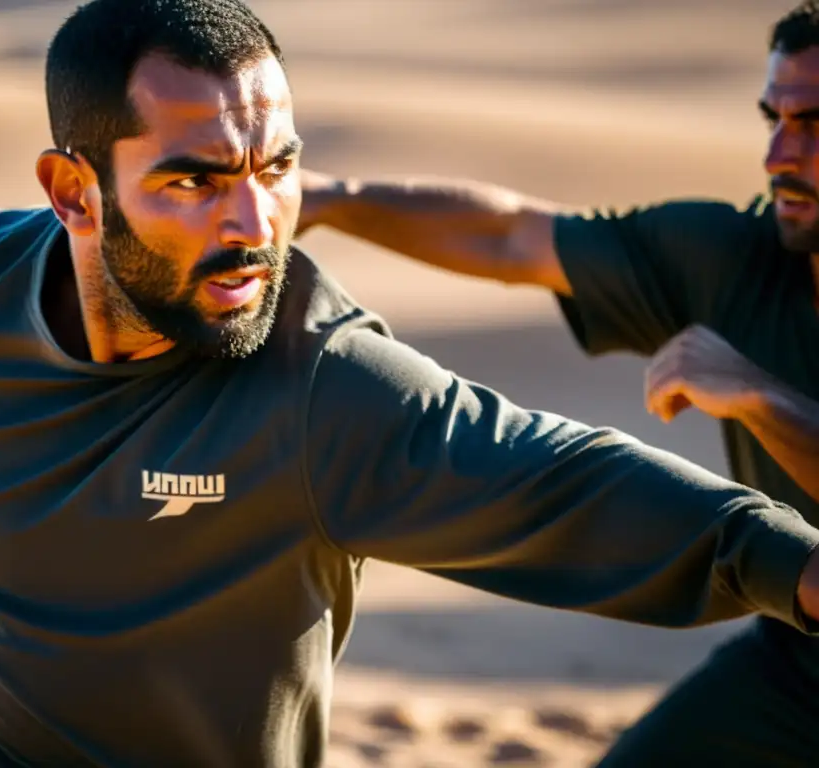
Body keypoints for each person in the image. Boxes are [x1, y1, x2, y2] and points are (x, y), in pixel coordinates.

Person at [0, 1, 819, 766]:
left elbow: (563, 480)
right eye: (193, 180)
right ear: (75, 191)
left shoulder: (321, 386)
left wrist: (795, 568)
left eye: (275, 168)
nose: (252, 228)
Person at [294, 2, 819, 766]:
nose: (778, 152)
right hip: (799, 663)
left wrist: (767, 401)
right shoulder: (735, 257)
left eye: (813, 124)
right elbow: (510, 234)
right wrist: (332, 198)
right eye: (773, 117)